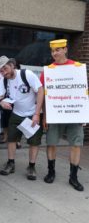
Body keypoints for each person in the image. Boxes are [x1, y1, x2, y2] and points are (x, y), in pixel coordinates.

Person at [40, 39, 84, 191]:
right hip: (54, 114)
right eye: (52, 51)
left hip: (74, 114)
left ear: (65, 49)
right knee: (51, 143)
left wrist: (83, 113)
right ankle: (51, 172)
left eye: (57, 50)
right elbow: (44, 95)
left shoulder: (77, 68)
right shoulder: (48, 70)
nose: (54, 53)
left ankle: (73, 177)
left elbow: (83, 92)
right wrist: (45, 115)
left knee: (76, 145)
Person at [0, 56, 44, 180]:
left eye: (5, 68)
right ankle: (11, 163)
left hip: (32, 113)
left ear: (12, 65)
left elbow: (40, 91)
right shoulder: (3, 80)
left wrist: (37, 114)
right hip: (16, 114)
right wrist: (2, 102)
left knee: (34, 142)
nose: (3, 72)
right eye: (1, 71)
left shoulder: (26, 74)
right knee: (11, 139)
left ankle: (31, 166)